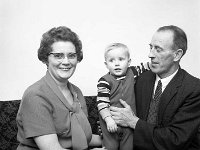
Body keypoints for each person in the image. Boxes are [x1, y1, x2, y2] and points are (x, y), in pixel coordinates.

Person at [110, 25, 200, 150]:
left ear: (177, 55)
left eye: (158, 49)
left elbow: (176, 140)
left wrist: (133, 122)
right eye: (151, 47)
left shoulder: (194, 88)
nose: (150, 55)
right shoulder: (140, 79)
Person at [16, 26, 103, 150]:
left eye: (72, 55)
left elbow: (80, 138)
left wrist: (111, 140)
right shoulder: (35, 95)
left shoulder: (76, 92)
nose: (66, 61)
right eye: (58, 56)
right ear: (46, 58)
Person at [97, 43, 150, 150]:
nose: (116, 64)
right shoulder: (104, 81)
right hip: (110, 124)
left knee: (129, 147)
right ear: (106, 64)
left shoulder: (134, 72)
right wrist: (108, 119)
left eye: (121, 59)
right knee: (110, 147)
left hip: (129, 125)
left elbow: (150, 65)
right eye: (111, 60)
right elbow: (102, 104)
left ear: (129, 62)